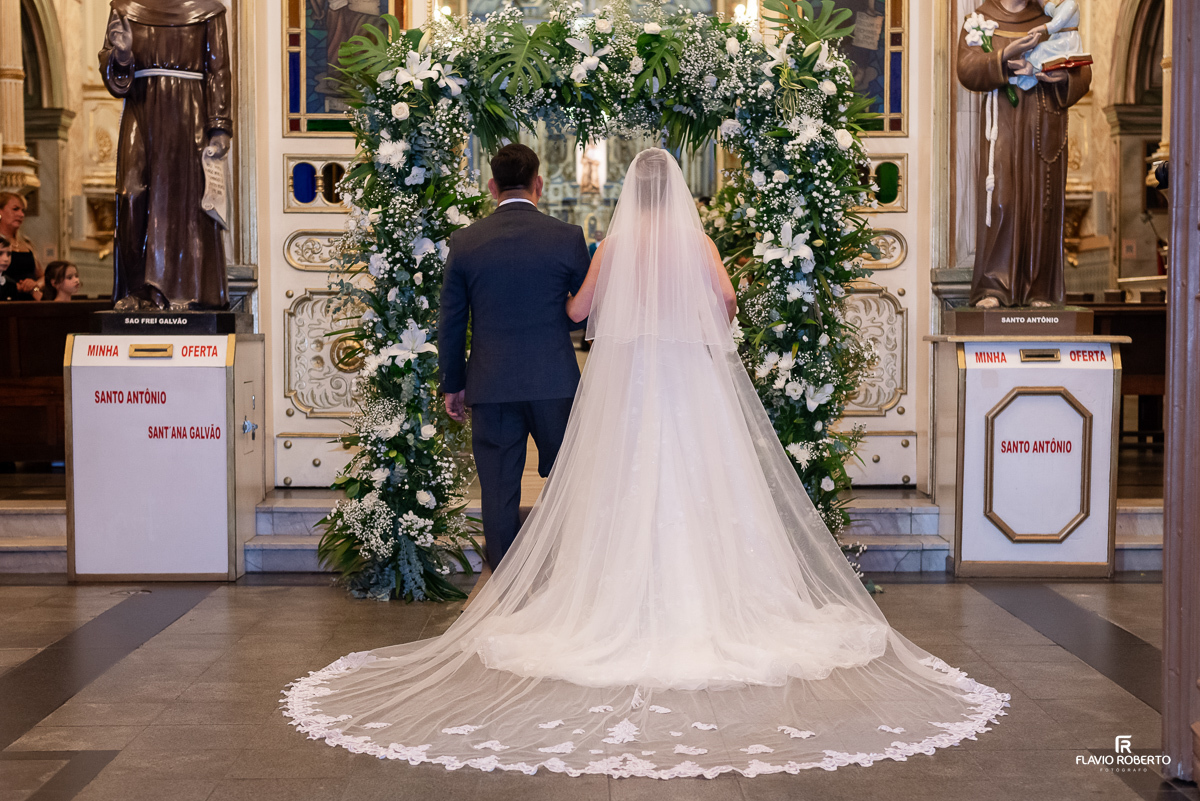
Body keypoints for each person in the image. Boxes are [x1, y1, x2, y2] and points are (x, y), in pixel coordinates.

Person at [283, 150, 1008, 777]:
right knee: (701, 486)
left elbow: (577, 313)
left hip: (627, 383)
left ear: (631, 194)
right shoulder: (699, 245)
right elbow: (725, 302)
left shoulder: (612, 243)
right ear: (682, 197)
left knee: (620, 489)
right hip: (689, 384)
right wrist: (692, 324)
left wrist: (597, 311)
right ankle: (715, 599)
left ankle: (560, 594)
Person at [438, 143, 591, 571]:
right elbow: (587, 313)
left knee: (499, 489)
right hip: (554, 383)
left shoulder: (466, 242)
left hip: (491, 384)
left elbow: (450, 320)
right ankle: (567, 574)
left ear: (492, 186)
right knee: (566, 482)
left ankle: (503, 588)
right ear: (538, 183)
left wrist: (454, 383)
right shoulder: (566, 237)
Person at [99, 0, 232, 310]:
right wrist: (121, 55)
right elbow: (114, 76)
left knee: (180, 201)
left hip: (189, 112)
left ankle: (182, 293)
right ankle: (136, 290)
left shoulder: (207, 10)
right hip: (141, 106)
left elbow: (218, 70)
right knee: (132, 195)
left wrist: (219, 125)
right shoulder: (125, 8)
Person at [957, 0, 1090, 308]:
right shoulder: (980, 19)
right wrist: (1004, 57)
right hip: (1002, 121)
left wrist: (1063, 77)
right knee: (1001, 199)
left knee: (1040, 203)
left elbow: (1080, 67)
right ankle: (993, 287)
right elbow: (966, 68)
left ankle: (1038, 290)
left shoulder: (1049, 20)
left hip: (1043, 121)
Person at [0, 193, 42, 301]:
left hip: (30, 302)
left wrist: (34, 285)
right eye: (15, 209)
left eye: (22, 211)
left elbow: (43, 276)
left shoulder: (27, 244)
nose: (21, 214)